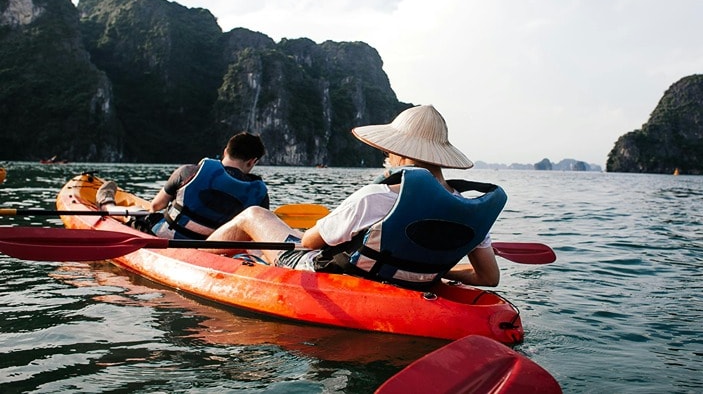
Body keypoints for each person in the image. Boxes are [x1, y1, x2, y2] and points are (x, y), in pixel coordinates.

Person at [206, 105, 507, 288]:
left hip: (336, 274)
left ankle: (193, 257)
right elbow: (488, 278)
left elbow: (309, 243)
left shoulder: (375, 197)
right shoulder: (469, 209)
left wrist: (306, 232)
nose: (387, 155)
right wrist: (432, 271)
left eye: (389, 150)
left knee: (254, 216)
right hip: (413, 278)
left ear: (401, 153)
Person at [97, 132, 270, 240]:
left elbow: (156, 205)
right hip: (211, 248)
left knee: (141, 213)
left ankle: (107, 204)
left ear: (226, 151)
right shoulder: (259, 194)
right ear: (252, 162)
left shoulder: (188, 171)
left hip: (165, 235)